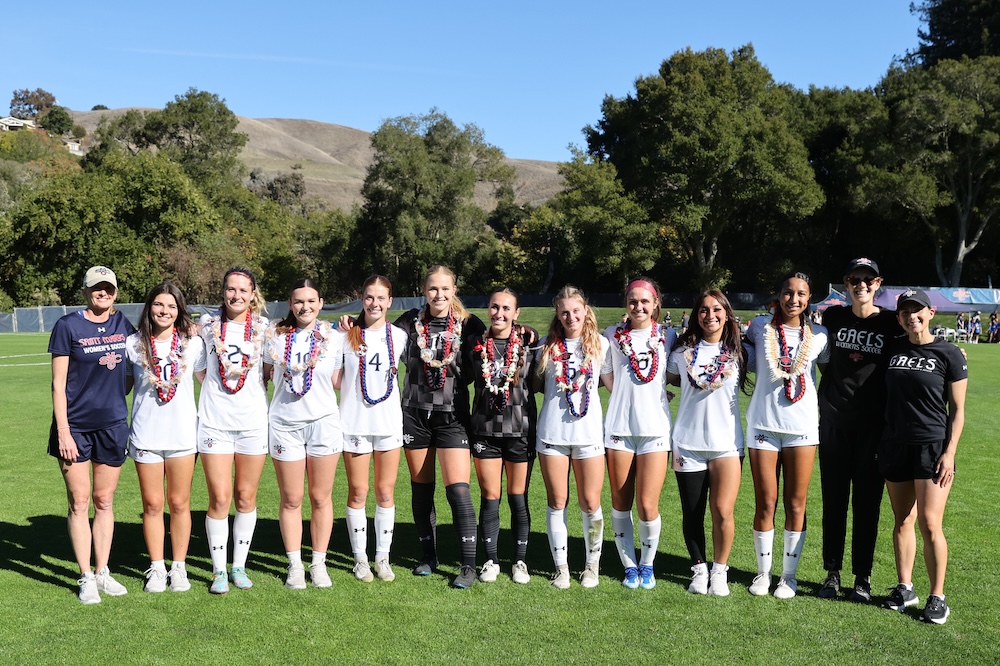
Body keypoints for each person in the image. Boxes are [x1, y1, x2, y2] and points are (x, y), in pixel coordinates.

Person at [393, 266, 486, 588]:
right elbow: (378, 337)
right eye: (433, 288)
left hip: (453, 417)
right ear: (424, 289)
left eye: (445, 289)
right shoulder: (407, 322)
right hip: (415, 415)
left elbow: (489, 349)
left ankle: (468, 565)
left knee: (458, 491)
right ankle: (428, 556)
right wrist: (352, 323)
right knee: (422, 490)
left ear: (454, 289)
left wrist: (525, 329)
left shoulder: (470, 323)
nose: (439, 295)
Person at [50, 266, 136, 604]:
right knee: (79, 501)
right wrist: (63, 432)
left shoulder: (123, 325)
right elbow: (58, 384)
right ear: (85, 292)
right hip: (75, 427)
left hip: (113, 425)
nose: (103, 293)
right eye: (96, 288)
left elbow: (132, 369)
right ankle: (85, 575)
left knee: (104, 501)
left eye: (109, 289)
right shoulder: (67, 326)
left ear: (115, 292)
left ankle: (103, 571)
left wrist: (118, 394)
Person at [880, 289, 967, 625]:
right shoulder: (893, 348)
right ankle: (905, 587)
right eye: (904, 312)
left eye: (917, 311)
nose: (911, 316)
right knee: (902, 520)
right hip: (895, 444)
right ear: (899, 316)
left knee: (931, 524)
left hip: (932, 447)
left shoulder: (949, 353)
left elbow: (958, 411)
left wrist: (950, 452)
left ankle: (937, 596)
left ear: (931, 312)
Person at [816, 258, 900, 603]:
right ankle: (832, 572)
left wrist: (953, 351)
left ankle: (862, 577)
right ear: (846, 283)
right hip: (835, 423)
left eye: (868, 279)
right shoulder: (832, 317)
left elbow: (917, 345)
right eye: (855, 279)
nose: (861, 284)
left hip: (873, 428)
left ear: (877, 283)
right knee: (834, 502)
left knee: (867, 504)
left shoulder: (892, 323)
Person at [743, 272, 830, 599]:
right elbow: (739, 356)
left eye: (801, 294)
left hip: (803, 428)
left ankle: (788, 577)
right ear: (778, 295)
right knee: (766, 502)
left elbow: (832, 372)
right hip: (763, 427)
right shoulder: (758, 328)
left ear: (809, 299)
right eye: (788, 292)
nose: (794, 299)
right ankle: (763, 574)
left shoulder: (820, 334)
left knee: (796, 504)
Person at [665, 289, 747, 597]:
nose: (709, 315)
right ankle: (699, 568)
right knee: (693, 512)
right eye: (703, 309)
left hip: (727, 445)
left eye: (716, 309)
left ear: (726, 314)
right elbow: (665, 379)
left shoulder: (741, 351)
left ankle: (720, 571)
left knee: (723, 511)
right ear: (696, 315)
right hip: (687, 443)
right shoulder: (680, 354)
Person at [265, 279, 345, 589]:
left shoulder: (335, 338)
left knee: (320, 497)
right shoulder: (274, 337)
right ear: (289, 303)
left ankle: (319, 563)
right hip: (285, 425)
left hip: (324, 423)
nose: (304, 306)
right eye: (298, 301)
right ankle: (295, 564)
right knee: (292, 498)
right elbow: (265, 375)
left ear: (321, 303)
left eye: (311, 301)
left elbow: (339, 380)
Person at [124, 283, 204, 593]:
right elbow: (124, 386)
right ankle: (157, 567)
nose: (164, 311)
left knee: (180, 502)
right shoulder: (134, 344)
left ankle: (179, 567)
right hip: (145, 434)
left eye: (171, 306)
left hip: (183, 435)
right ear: (149, 307)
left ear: (179, 310)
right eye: (159, 305)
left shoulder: (192, 343)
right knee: (153, 504)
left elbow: (206, 381)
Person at [195, 266, 270, 594]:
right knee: (220, 498)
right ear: (222, 291)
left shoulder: (265, 329)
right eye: (230, 289)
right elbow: (199, 371)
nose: (236, 295)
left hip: (253, 425)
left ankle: (238, 566)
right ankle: (218, 570)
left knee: (245, 496)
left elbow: (268, 373)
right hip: (215, 424)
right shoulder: (207, 327)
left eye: (243, 290)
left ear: (253, 294)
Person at [535, 286, 612, 589]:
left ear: (585, 310)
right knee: (557, 501)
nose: (570, 316)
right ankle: (561, 567)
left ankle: (591, 566)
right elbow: (537, 386)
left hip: (589, 435)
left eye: (575, 310)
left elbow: (612, 385)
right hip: (552, 435)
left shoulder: (601, 345)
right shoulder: (545, 346)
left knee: (591, 502)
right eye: (564, 311)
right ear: (557, 314)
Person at [603, 278, 676, 590]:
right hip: (619, 428)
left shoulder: (668, 335)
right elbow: (605, 374)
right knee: (621, 502)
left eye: (645, 301)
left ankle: (647, 564)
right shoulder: (611, 335)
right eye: (633, 301)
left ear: (655, 303)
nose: (638, 306)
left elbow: (679, 369)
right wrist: (625, 395)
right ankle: (628, 565)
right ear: (626, 303)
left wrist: (657, 393)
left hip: (655, 429)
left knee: (647, 504)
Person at [338, 275, 408, 583]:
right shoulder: (345, 334)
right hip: (354, 422)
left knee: (385, 491)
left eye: (381, 298)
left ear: (390, 301)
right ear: (361, 299)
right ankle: (360, 559)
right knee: (358, 491)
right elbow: (335, 379)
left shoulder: (400, 336)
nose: (375, 303)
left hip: (389, 424)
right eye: (369, 297)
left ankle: (382, 557)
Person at [466, 288, 539, 584]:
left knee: (517, 497)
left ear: (517, 313)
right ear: (488, 309)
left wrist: (530, 331)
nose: (500, 313)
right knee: (490, 496)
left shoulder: (529, 344)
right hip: (485, 429)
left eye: (507, 308)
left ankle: (520, 561)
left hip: (520, 429)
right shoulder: (474, 344)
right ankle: (491, 560)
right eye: (495, 307)